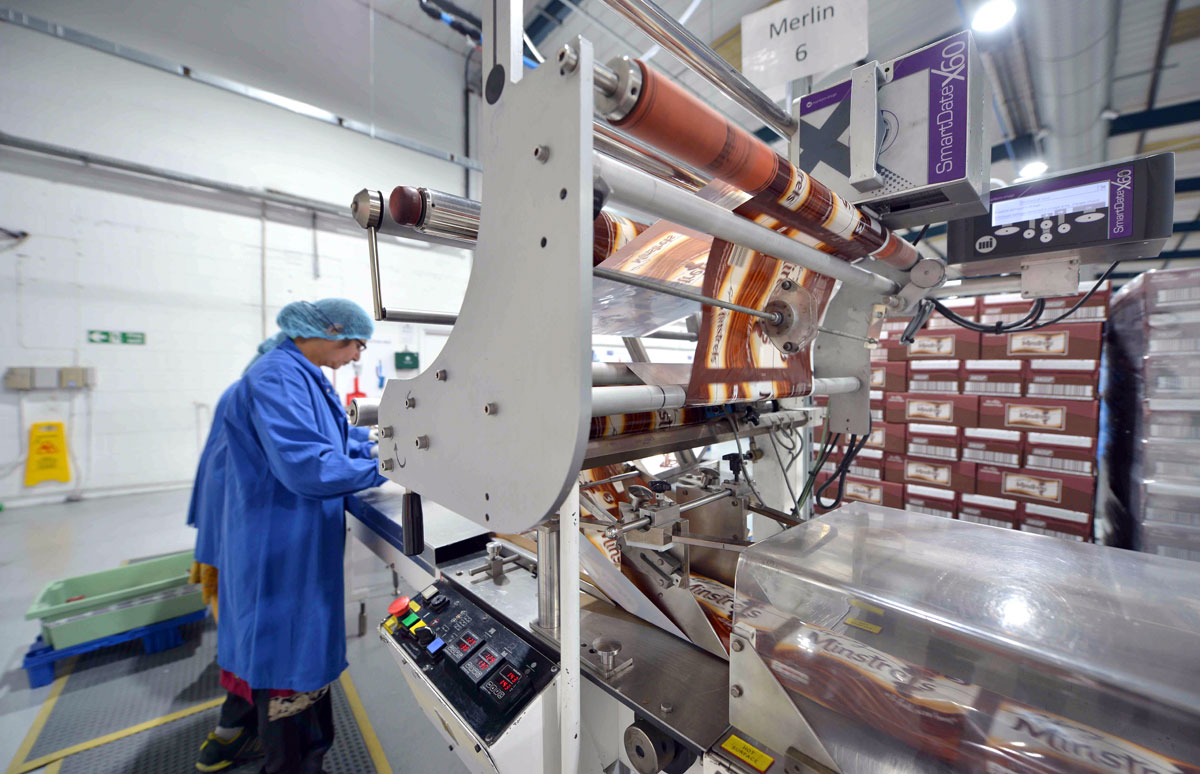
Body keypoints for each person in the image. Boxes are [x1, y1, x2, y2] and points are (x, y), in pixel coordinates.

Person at [214, 299, 386, 774]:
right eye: (356, 344)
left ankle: (300, 755)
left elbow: (331, 440)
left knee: (301, 655)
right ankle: (292, 765)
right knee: (289, 661)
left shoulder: (301, 373)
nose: (356, 356)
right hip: (279, 543)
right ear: (331, 333)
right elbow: (307, 465)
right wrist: (389, 466)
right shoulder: (276, 377)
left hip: (298, 535)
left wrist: (381, 443)